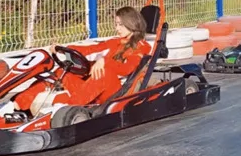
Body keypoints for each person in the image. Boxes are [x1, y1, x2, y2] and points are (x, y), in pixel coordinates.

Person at [13, 7, 151, 116]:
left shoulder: (141, 46)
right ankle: (19, 103)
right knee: (64, 71)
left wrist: (104, 62)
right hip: (93, 89)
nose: (117, 28)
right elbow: (91, 49)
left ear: (131, 24)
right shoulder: (115, 41)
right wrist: (64, 49)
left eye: (121, 25)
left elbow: (127, 69)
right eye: (116, 24)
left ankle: (65, 109)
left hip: (115, 92)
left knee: (104, 73)